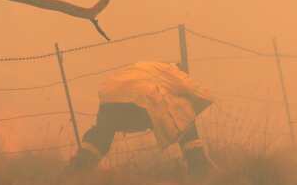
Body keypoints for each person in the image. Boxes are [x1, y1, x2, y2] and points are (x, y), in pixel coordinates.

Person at [67, 61, 216, 177]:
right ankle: (199, 167)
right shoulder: (172, 70)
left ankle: (77, 170)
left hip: (109, 99)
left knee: (101, 134)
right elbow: (189, 87)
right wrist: (207, 99)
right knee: (186, 122)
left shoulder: (145, 67)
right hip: (139, 101)